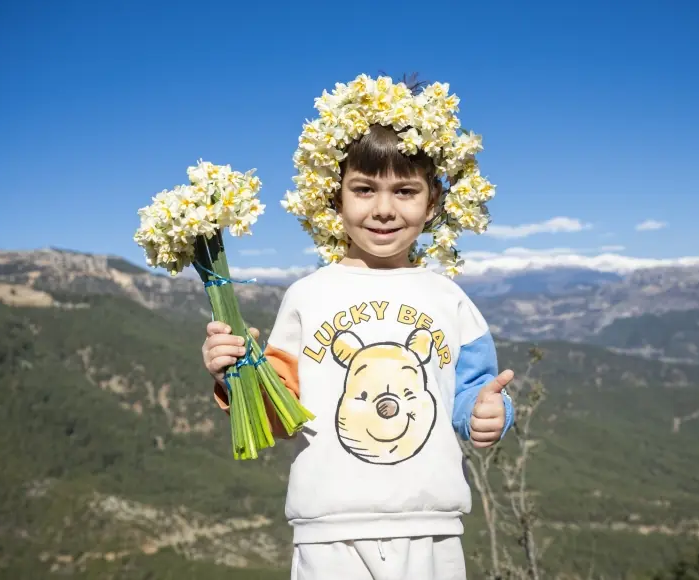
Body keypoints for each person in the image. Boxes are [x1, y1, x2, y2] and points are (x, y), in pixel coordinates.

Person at [201, 74, 515, 580]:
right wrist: (234, 372)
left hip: (432, 527)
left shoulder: (450, 298)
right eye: (364, 189)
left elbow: (473, 391)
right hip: (329, 532)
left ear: (433, 202)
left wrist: (486, 414)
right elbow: (279, 415)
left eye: (405, 191)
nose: (384, 209)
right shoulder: (306, 296)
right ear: (335, 197)